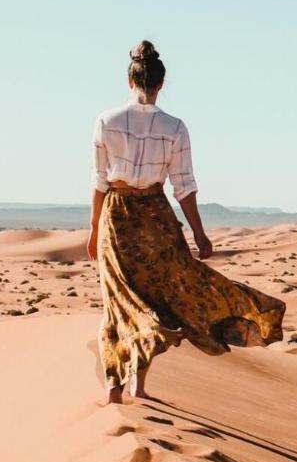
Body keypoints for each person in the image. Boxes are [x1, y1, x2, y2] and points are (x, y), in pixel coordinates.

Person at [88, 40, 285, 404]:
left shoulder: (105, 121)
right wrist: (198, 232)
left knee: (116, 301)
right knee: (158, 298)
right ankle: (139, 386)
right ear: (160, 84)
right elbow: (184, 187)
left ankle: (114, 390)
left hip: (118, 218)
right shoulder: (175, 127)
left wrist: (93, 227)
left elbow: (100, 181)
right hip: (157, 219)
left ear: (128, 80)